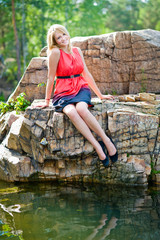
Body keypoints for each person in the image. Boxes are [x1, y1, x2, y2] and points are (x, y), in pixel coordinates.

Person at [35, 24, 118, 167]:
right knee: (72, 112)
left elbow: (86, 73)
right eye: (58, 38)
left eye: (63, 35)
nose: (62, 39)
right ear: (54, 41)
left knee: (82, 109)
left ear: (67, 34)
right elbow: (50, 78)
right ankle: (97, 146)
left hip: (80, 87)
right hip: (63, 91)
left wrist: (100, 95)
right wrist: (47, 101)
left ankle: (106, 140)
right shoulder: (55, 52)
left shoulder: (77, 50)